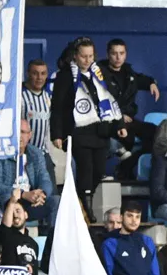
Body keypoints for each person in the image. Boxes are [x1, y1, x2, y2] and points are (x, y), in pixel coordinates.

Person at [51, 37, 126, 202]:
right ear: (75, 56)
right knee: (85, 168)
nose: (87, 60)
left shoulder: (100, 73)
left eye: (90, 56)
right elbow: (57, 108)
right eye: (84, 56)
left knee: (98, 170)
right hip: (78, 132)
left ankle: (85, 198)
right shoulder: (65, 76)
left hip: (100, 131)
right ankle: (86, 204)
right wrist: (56, 134)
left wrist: (119, 123)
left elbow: (111, 99)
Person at [20, 59, 53, 152]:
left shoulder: (48, 96)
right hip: (23, 152)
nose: (39, 78)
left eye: (43, 73)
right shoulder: (19, 95)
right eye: (35, 73)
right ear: (28, 74)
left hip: (43, 152)